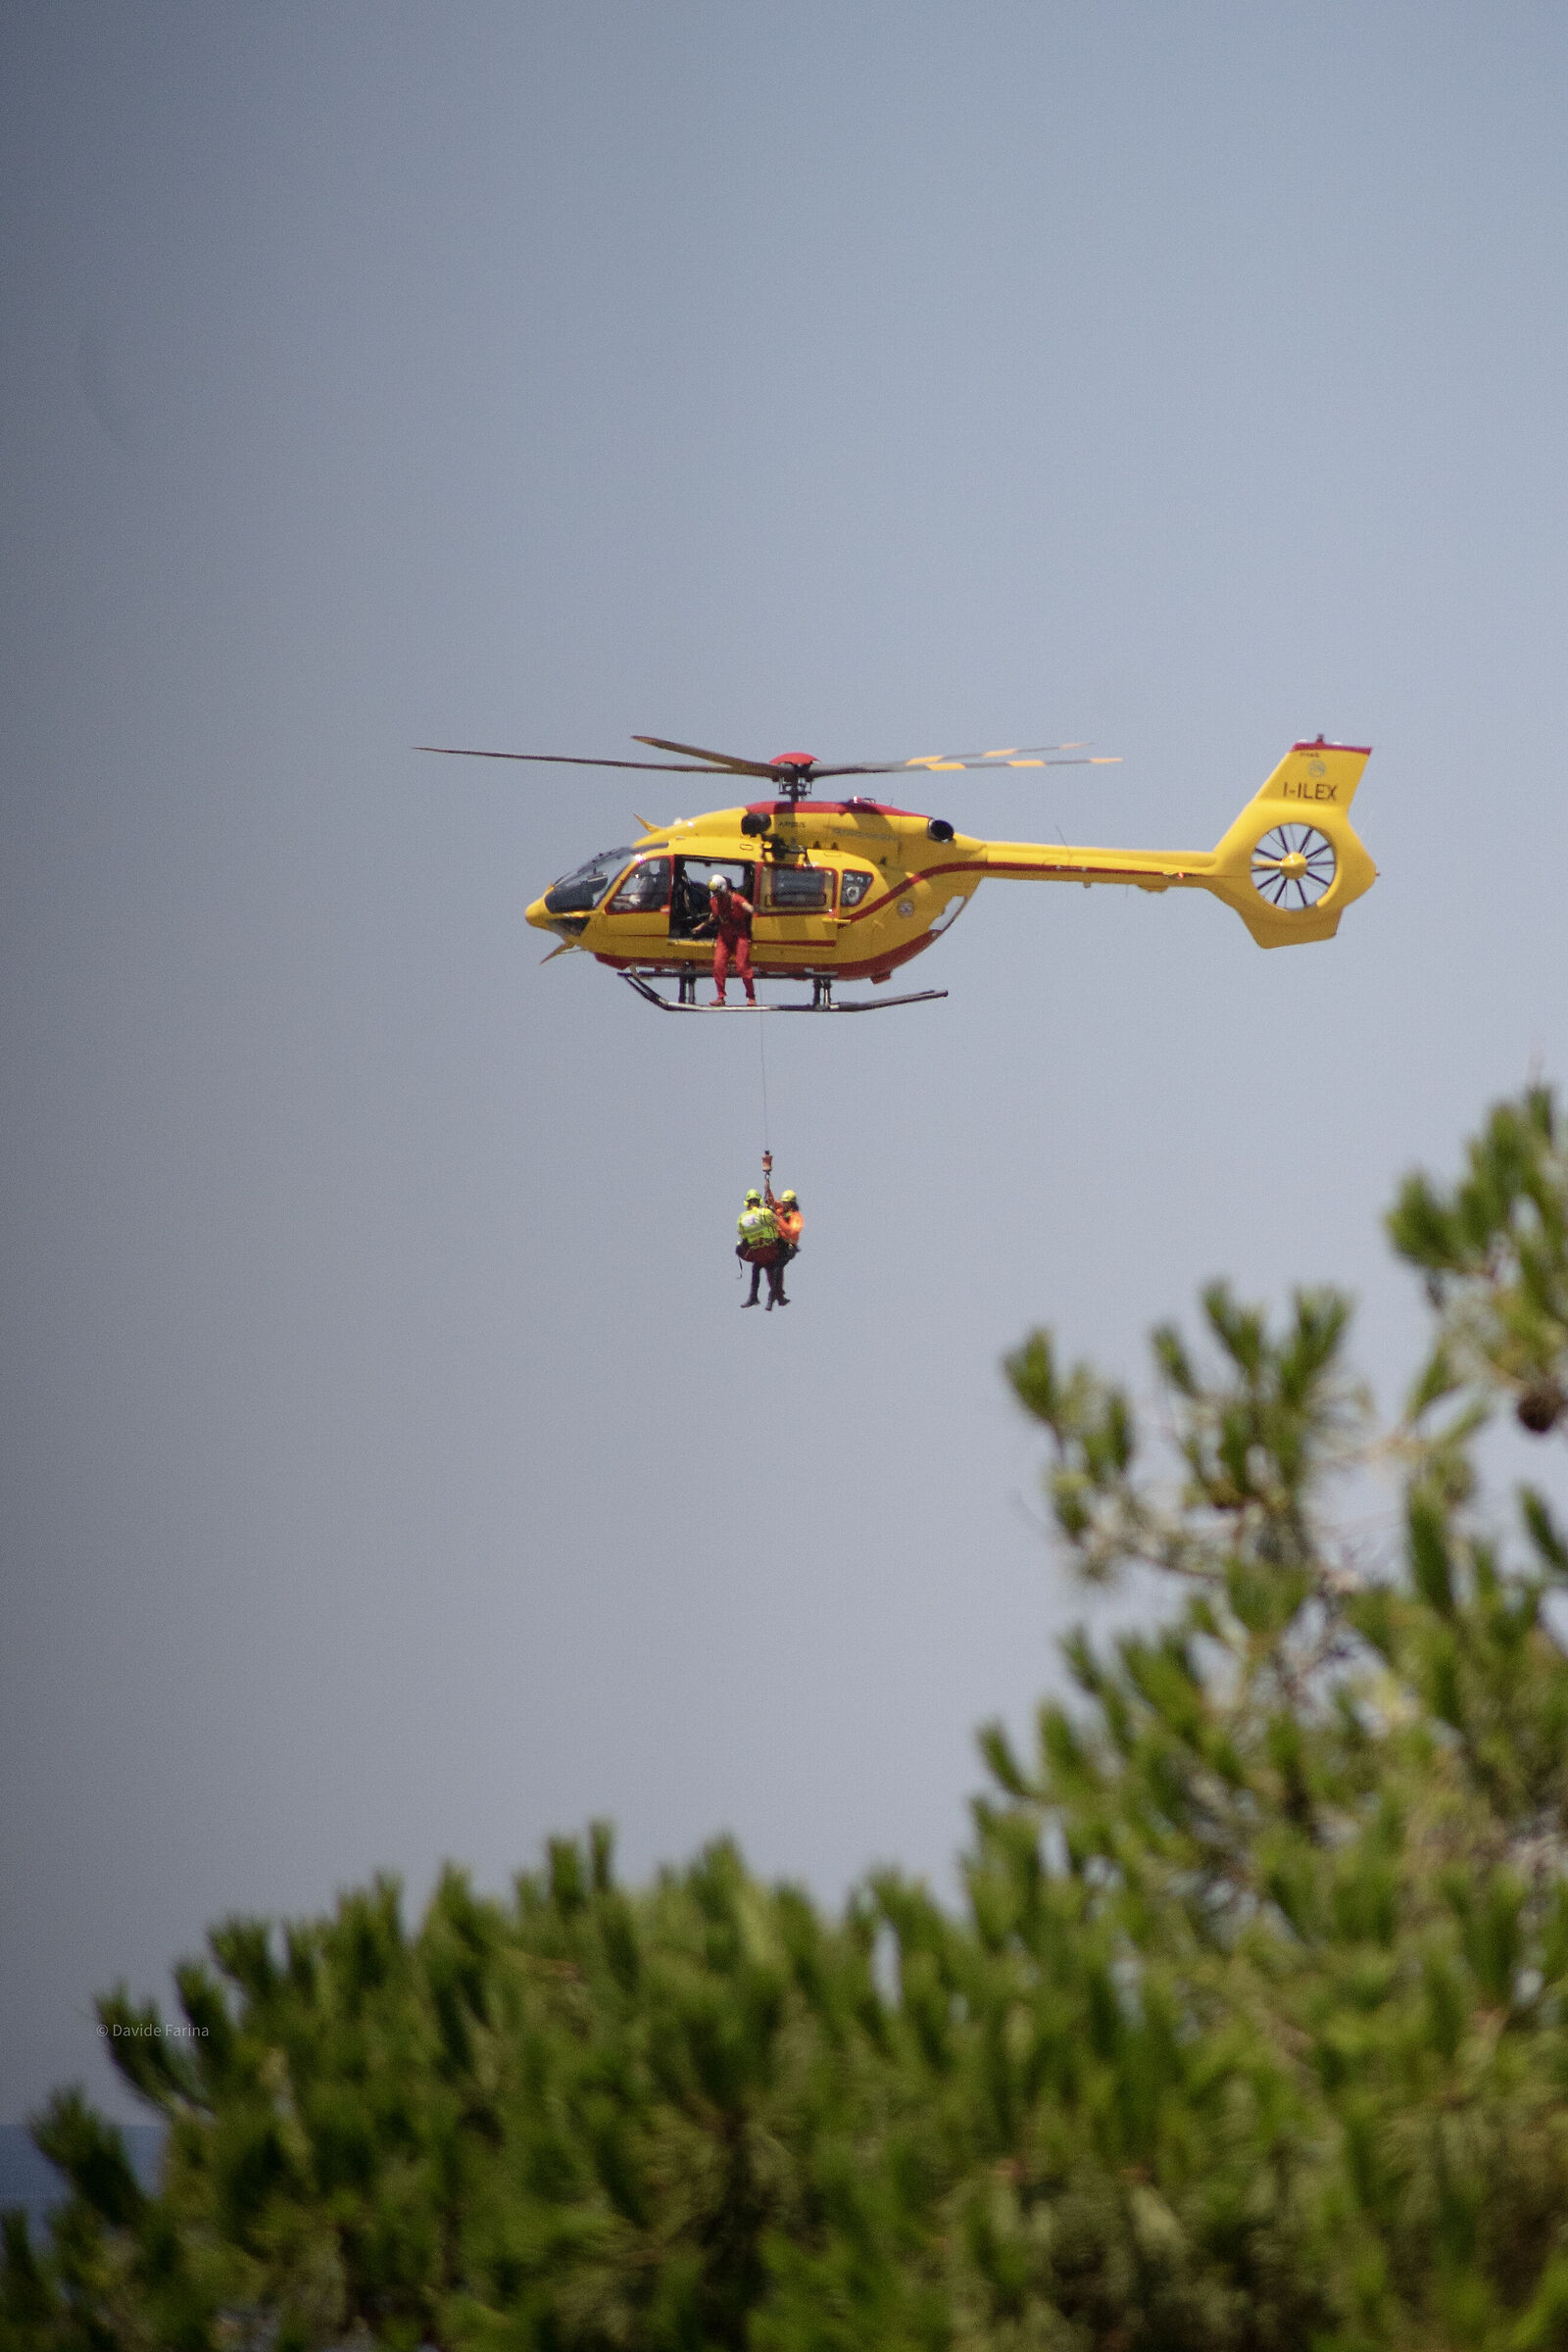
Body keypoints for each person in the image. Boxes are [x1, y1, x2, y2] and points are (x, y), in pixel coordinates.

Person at [703, 872, 757, 1005]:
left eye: (717, 892)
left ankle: (751, 997)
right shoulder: (714, 902)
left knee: (742, 966)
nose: (716, 896)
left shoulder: (737, 899)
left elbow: (748, 908)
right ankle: (720, 997)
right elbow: (713, 916)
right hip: (724, 937)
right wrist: (701, 927)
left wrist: (757, 911)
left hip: (740, 935)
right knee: (718, 965)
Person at [736, 1186, 785, 1310]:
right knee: (775, 1271)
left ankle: (753, 1297)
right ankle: (775, 1297)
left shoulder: (741, 1218)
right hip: (770, 1250)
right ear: (759, 1201)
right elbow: (778, 1222)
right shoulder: (765, 1213)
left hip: (755, 1252)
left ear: (747, 1203)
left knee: (756, 1270)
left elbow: (743, 1236)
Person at [763, 1162, 802, 1305]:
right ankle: (777, 1294)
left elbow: (791, 1231)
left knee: (778, 1267)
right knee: (770, 1267)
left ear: (790, 1204)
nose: (782, 1204)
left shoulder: (796, 1217)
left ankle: (775, 1295)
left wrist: (777, 1220)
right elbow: (772, 1203)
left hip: (788, 1247)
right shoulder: (781, 1210)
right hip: (778, 1244)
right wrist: (768, 1188)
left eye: (785, 1202)